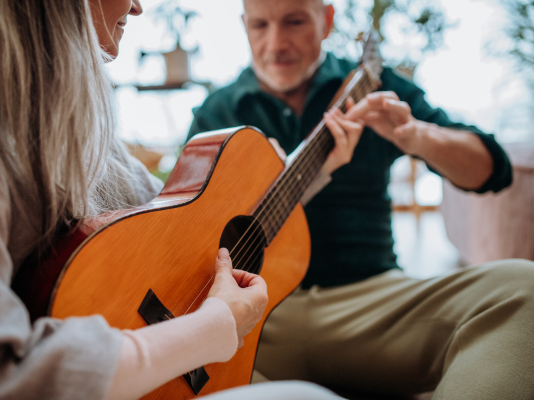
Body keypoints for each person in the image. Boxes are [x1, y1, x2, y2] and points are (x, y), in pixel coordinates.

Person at [0, 0, 352, 399]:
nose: (138, 7)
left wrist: (312, 168)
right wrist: (210, 328)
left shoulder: (67, 118)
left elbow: (188, 222)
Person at [187, 0, 534, 398]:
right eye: (259, 25)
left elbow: (494, 171)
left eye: (294, 22)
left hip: (373, 305)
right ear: (243, 25)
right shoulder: (216, 114)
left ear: (327, 20)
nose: (275, 43)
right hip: (257, 321)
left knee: (524, 289)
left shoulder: (374, 86)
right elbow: (192, 237)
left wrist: (416, 135)